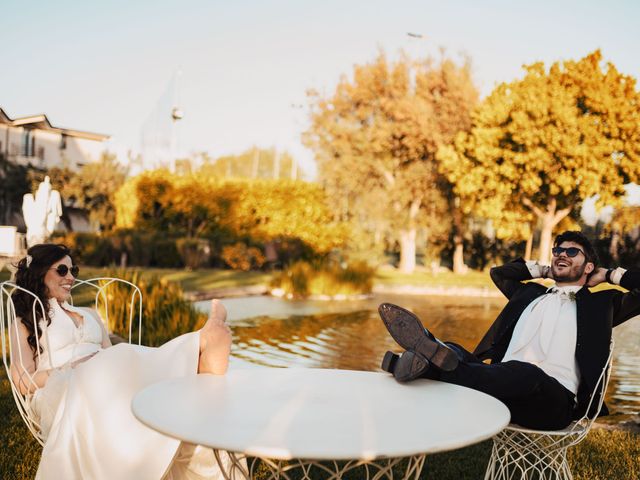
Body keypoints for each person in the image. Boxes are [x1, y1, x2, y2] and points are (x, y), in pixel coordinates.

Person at [9, 243, 235, 479]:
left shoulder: (89, 313)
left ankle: (198, 356)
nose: (71, 277)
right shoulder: (26, 322)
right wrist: (71, 367)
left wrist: (104, 362)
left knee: (124, 356)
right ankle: (198, 352)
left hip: (106, 371)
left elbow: (110, 352)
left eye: (73, 270)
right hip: (66, 381)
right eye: (62, 270)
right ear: (40, 272)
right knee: (122, 357)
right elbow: (23, 380)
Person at [379, 231, 640, 430]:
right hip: (501, 384)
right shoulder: (528, 293)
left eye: (572, 253)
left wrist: (608, 275)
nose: (562, 254)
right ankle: (432, 358)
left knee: (523, 371)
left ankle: (426, 361)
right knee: (454, 348)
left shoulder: (601, 305)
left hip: (553, 402)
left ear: (588, 266)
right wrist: (544, 271)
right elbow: (499, 273)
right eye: (558, 250)